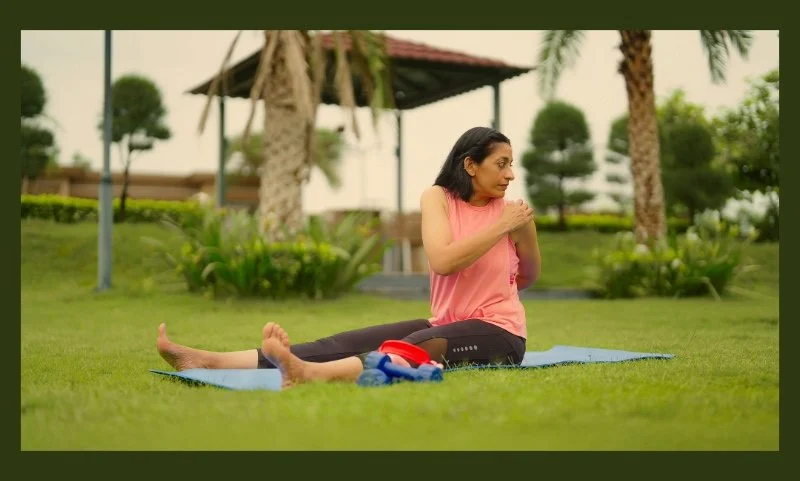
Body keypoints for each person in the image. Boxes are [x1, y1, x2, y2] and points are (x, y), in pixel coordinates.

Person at [157, 126, 541, 388]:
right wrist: (499, 228)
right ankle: (209, 360)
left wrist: (496, 278)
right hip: (447, 321)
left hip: (501, 334)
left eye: (511, 164)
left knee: (420, 343)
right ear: (470, 165)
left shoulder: (515, 216)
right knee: (343, 342)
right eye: (501, 163)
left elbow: (528, 275)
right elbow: (442, 260)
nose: (510, 174)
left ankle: (308, 375)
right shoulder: (438, 198)